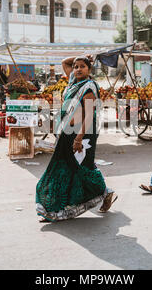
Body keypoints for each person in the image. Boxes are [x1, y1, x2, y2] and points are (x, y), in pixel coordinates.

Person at [35, 55, 117, 223]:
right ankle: (57, 207)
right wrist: (83, 56)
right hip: (66, 131)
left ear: (89, 69)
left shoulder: (89, 87)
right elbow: (64, 61)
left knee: (80, 168)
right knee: (67, 167)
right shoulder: (73, 81)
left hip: (82, 133)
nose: (78, 69)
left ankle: (102, 193)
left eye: (82, 66)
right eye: (76, 67)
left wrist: (78, 139)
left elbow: (88, 116)